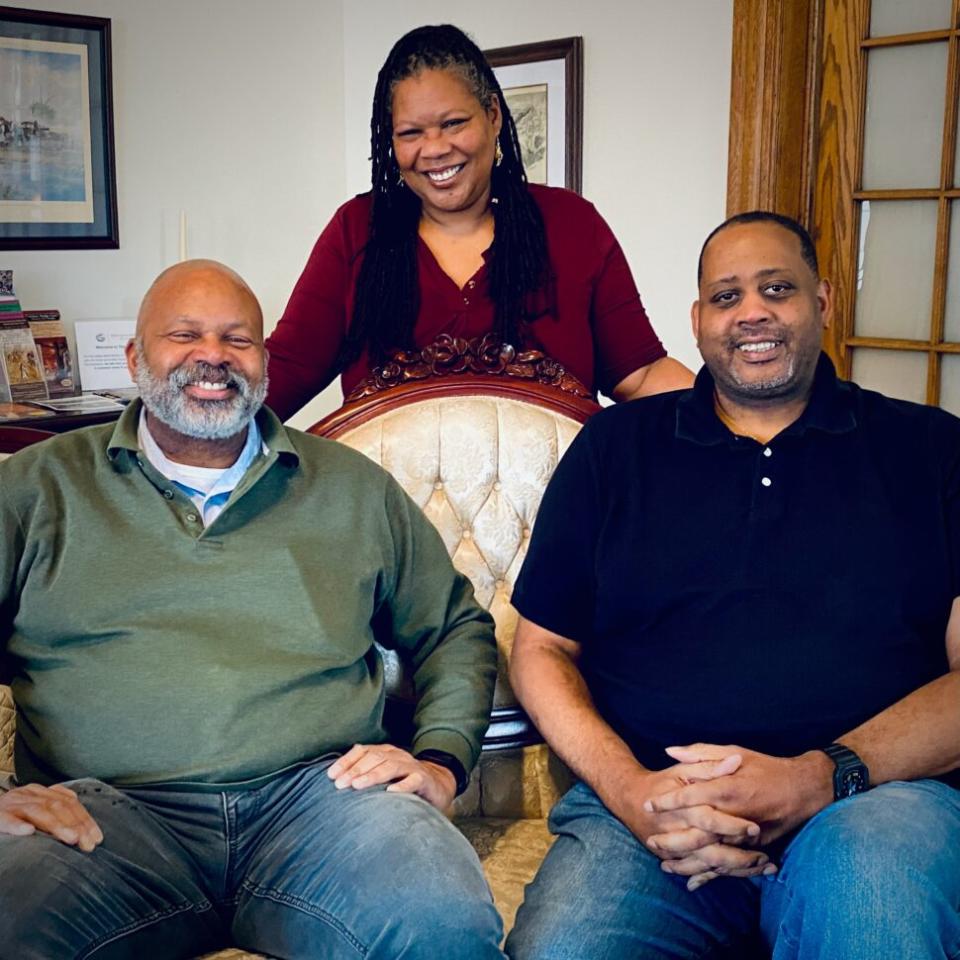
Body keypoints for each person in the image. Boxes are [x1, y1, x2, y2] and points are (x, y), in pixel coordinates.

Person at [0, 260, 505, 959]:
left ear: (264, 362)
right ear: (135, 357)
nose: (213, 356)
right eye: (185, 334)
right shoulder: (36, 489)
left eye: (238, 339)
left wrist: (442, 761)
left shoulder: (352, 489)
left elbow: (454, 627)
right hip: (102, 824)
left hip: (322, 809)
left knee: (440, 918)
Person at [504, 212, 960, 959]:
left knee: (873, 919)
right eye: (726, 296)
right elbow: (541, 649)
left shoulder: (931, 448)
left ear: (823, 300)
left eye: (777, 288)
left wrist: (819, 778)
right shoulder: (616, 449)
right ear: (697, 320)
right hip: (652, 812)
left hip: (871, 803)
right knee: (566, 949)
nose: (752, 312)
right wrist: (633, 794)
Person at [264, 24, 692, 421]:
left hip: (560, 500)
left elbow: (641, 374)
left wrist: (739, 415)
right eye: (411, 133)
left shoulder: (572, 224)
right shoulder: (357, 230)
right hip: (388, 502)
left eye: (453, 123)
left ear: (492, 116)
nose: (434, 149)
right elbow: (286, 371)